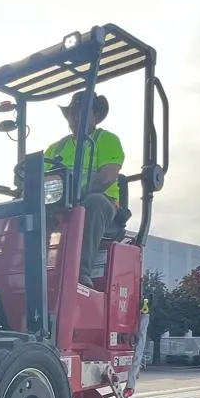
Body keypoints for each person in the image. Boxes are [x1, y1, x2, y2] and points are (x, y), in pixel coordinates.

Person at [44, 90, 124, 286]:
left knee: (92, 203)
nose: (74, 117)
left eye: (80, 112)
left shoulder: (107, 140)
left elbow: (106, 177)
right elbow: (42, 178)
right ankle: (27, 270)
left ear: (96, 116)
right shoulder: (57, 147)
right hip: (59, 201)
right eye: (72, 112)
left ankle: (79, 273)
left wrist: (73, 189)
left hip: (102, 201)